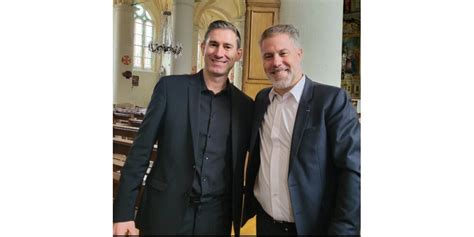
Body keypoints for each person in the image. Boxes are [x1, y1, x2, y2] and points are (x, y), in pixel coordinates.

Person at [113, 20, 254, 236]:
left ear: (238, 53)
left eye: (227, 47)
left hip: (216, 218)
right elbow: (140, 152)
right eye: (213, 44)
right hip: (164, 211)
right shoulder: (170, 88)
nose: (219, 53)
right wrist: (123, 213)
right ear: (203, 47)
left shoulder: (245, 106)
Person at [242, 24, 360, 235]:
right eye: (268, 56)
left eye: (282, 53)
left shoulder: (331, 101)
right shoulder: (261, 100)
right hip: (266, 225)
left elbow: (353, 170)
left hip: (313, 228)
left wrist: (344, 229)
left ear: (299, 53)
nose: (276, 62)